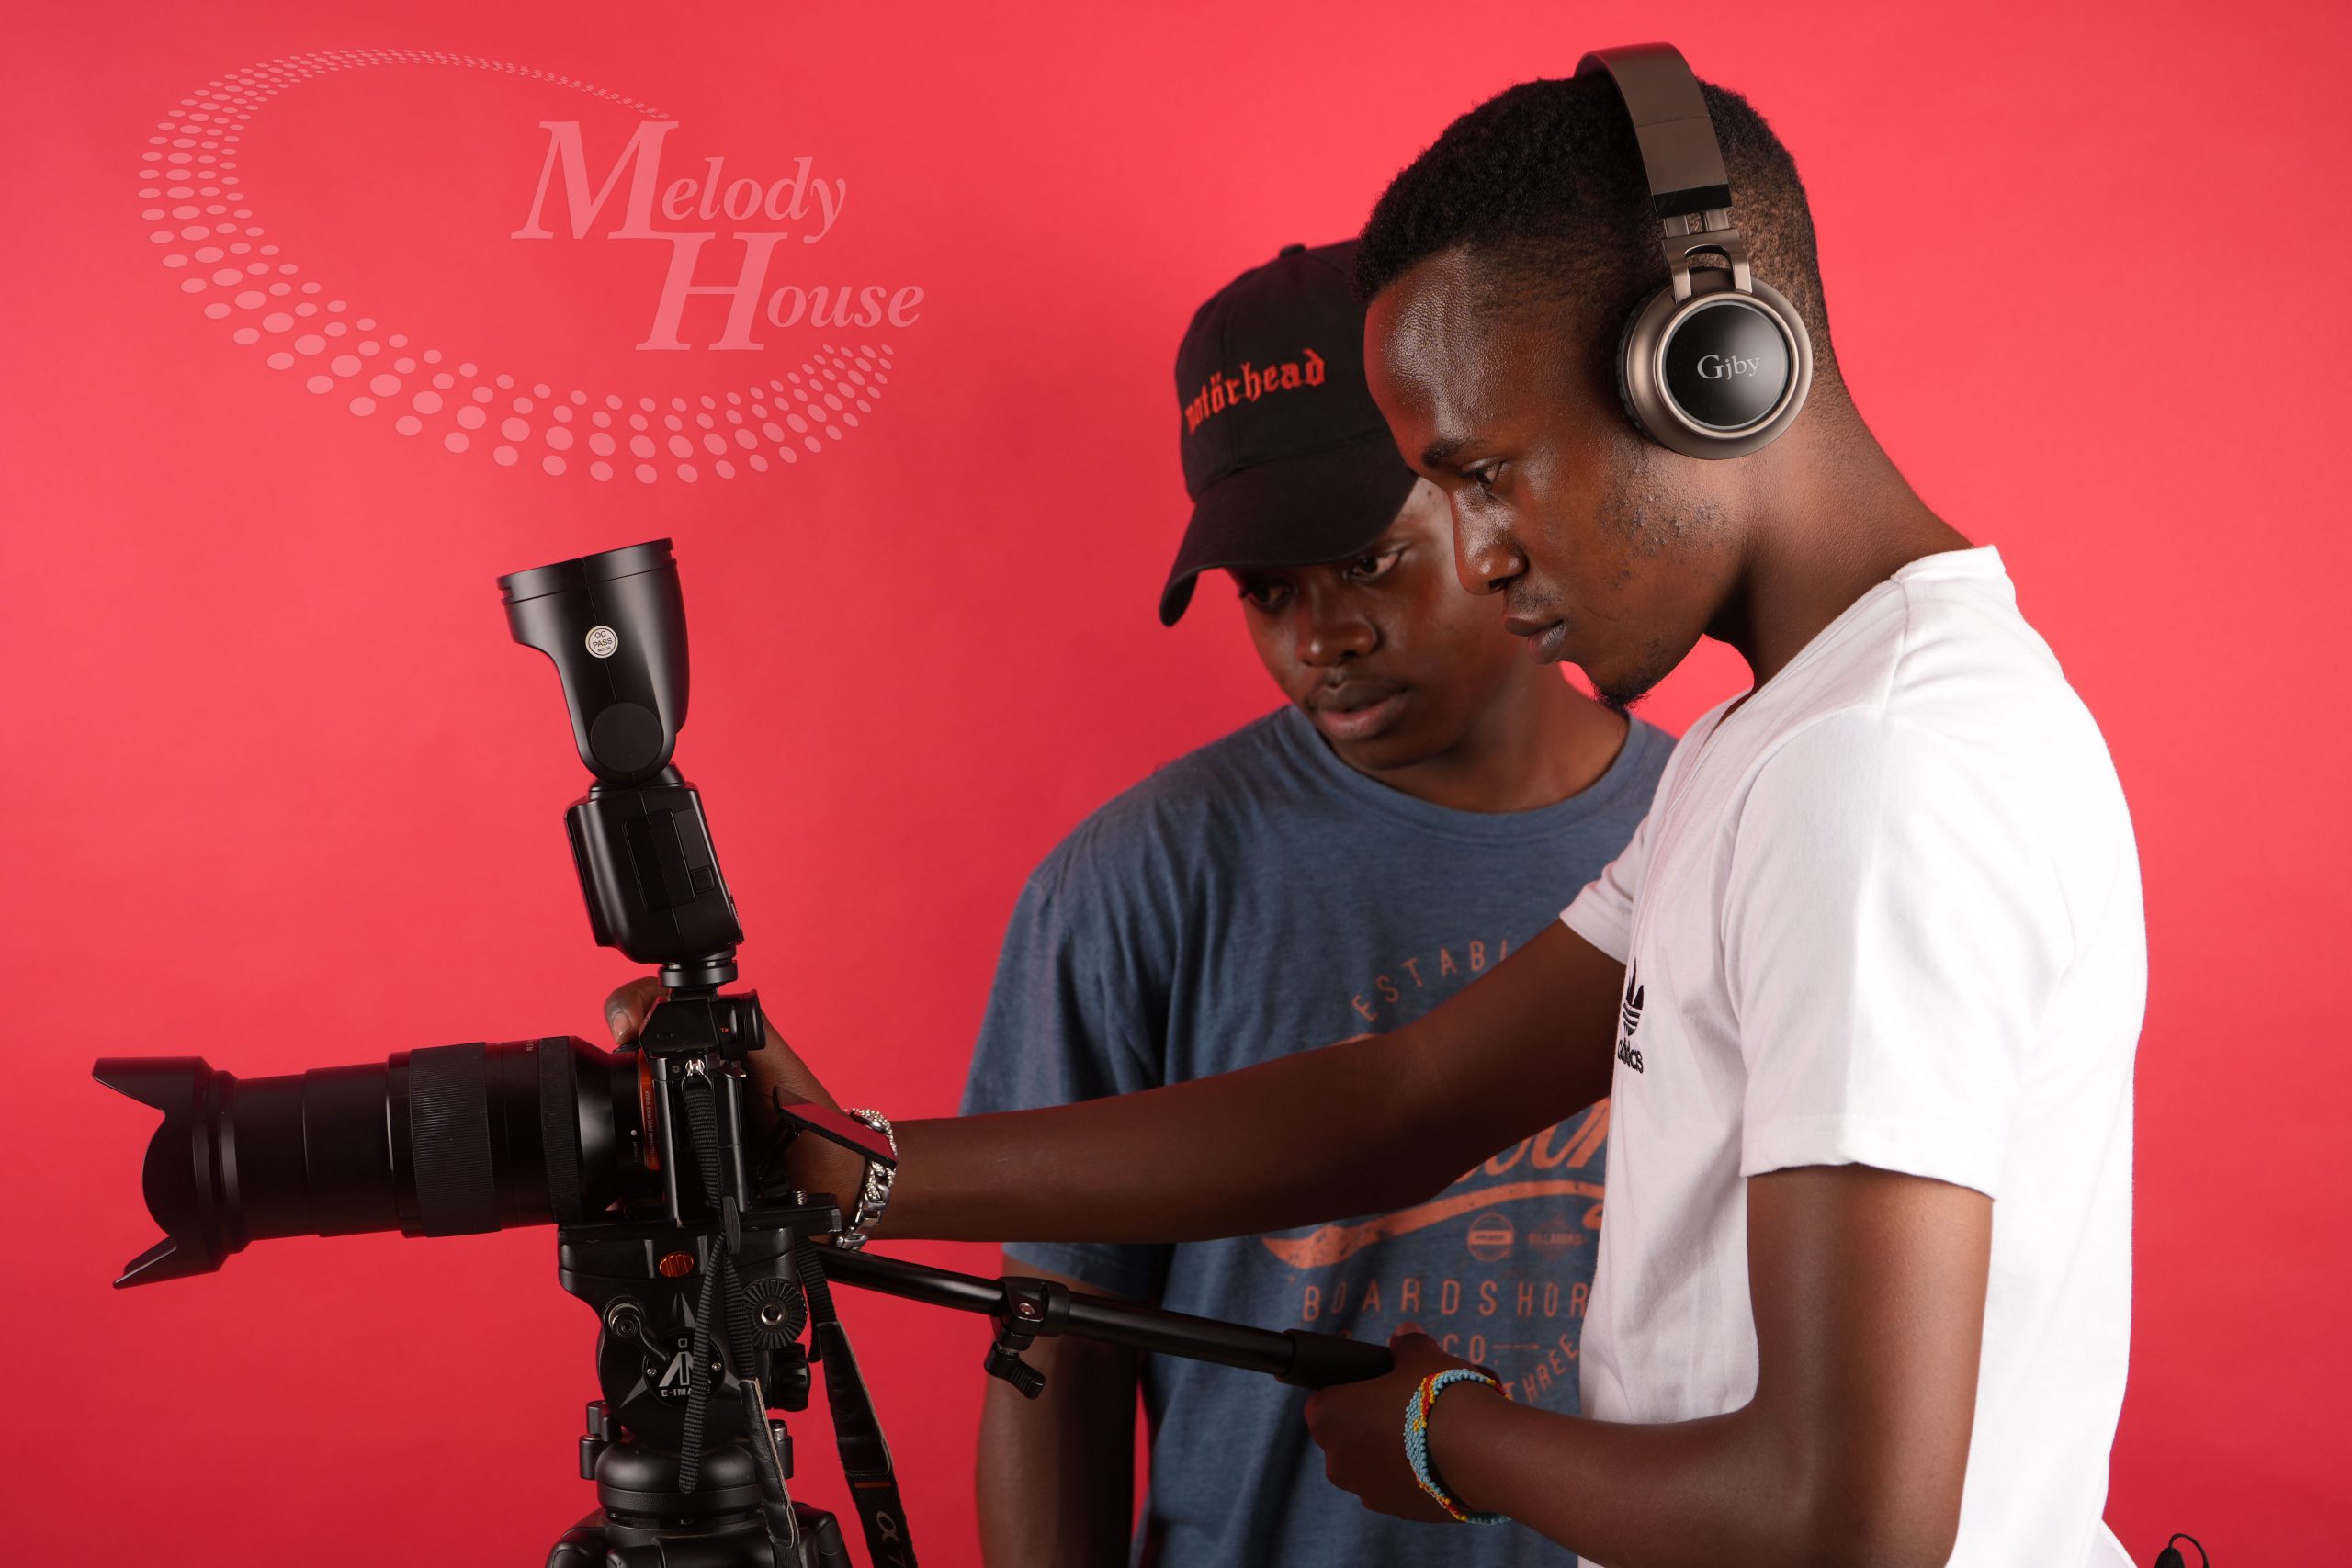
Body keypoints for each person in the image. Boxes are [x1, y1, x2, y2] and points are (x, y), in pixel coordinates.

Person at [611, 50, 2143, 1568]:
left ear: (1713, 365)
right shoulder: (1780, 743)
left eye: (1487, 475)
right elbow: (1408, 1100)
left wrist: (1446, 1437)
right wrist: (860, 1165)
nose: (1479, 558)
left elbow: (1845, 1523)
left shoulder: (1870, 775)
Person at [956, 239, 1667, 1568]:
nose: (1320, 640)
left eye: (1368, 563)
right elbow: (1056, 1332)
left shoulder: (1711, 839)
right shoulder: (1135, 885)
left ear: (1492, 494)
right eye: (1266, 592)